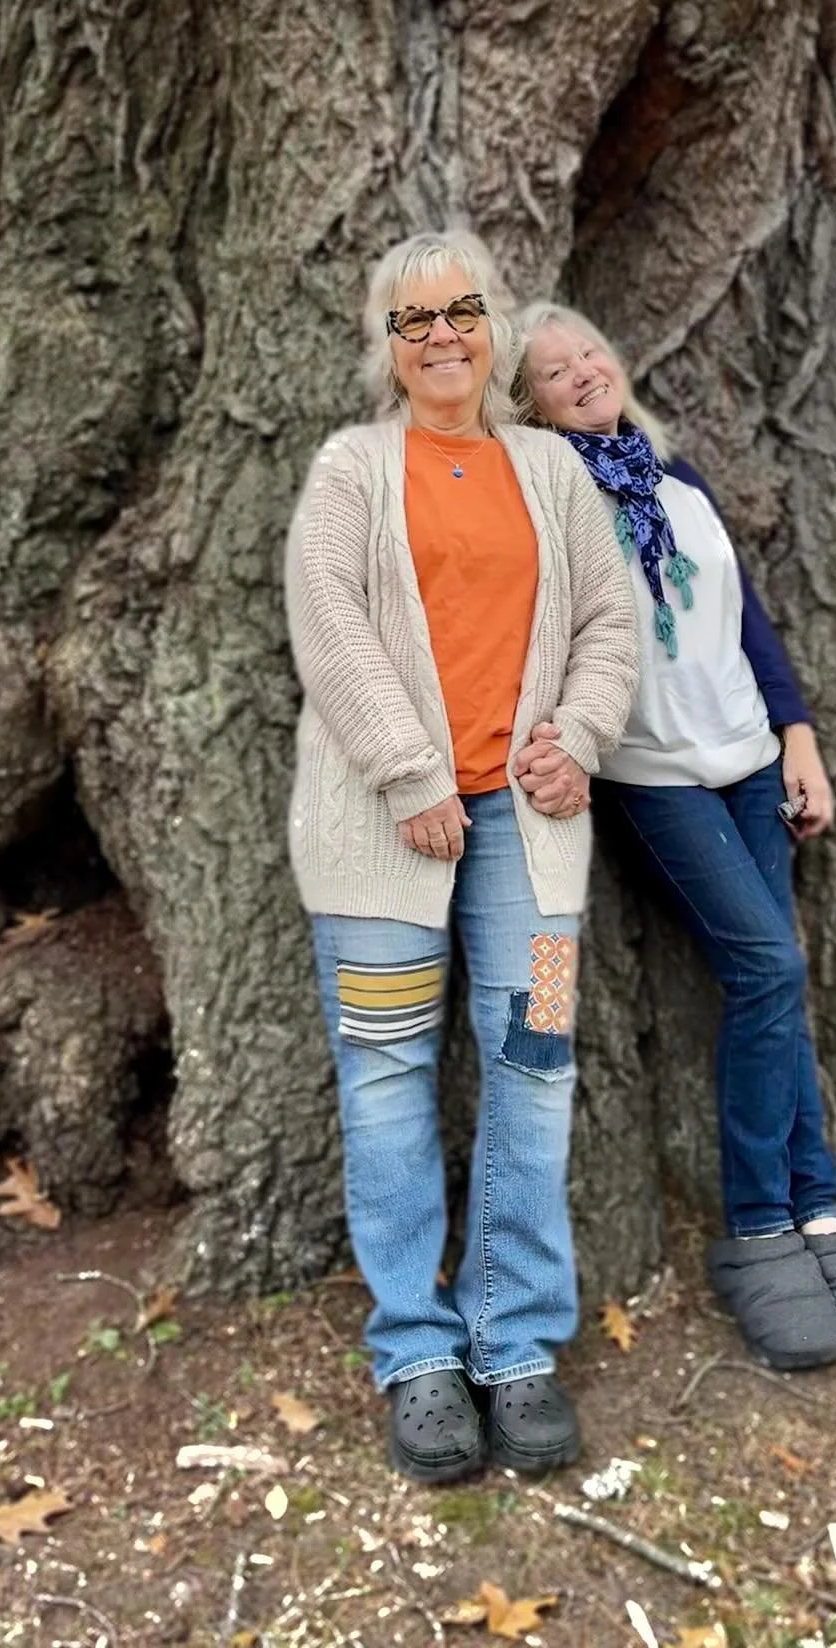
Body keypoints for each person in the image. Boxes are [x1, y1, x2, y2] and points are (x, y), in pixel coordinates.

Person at [284, 235, 638, 1483]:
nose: (441, 336)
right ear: (385, 344)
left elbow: (610, 618)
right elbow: (326, 623)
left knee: (537, 1059)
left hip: (533, 846)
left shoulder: (547, 468)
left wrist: (580, 738)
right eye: (412, 318)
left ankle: (516, 1342)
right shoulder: (351, 470)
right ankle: (418, 1354)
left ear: (492, 331)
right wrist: (411, 771)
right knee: (385, 1075)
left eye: (462, 312)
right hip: (384, 840)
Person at [517, 302, 836, 1371]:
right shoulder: (550, 506)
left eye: (592, 351)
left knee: (772, 982)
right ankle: (762, 1221)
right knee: (770, 964)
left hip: (748, 761)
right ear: (532, 405)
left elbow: (745, 623)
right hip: (656, 780)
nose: (585, 372)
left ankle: (818, 1213)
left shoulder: (677, 484)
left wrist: (799, 736)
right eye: (555, 372)